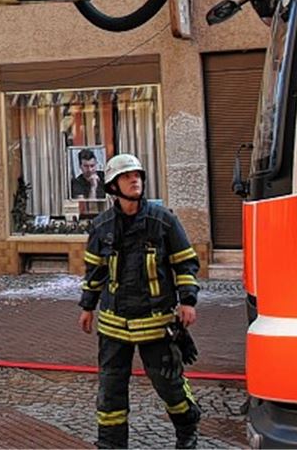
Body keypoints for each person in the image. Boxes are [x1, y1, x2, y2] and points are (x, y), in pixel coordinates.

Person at [78, 153, 201, 449]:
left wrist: (188, 301)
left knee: (169, 386)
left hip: (155, 323)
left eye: (138, 175)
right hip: (113, 325)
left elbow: (185, 263)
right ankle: (111, 445)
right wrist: (87, 306)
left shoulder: (163, 221)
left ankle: (188, 429)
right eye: (127, 176)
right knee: (110, 393)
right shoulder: (102, 226)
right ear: (112, 186)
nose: (135, 180)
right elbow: (95, 270)